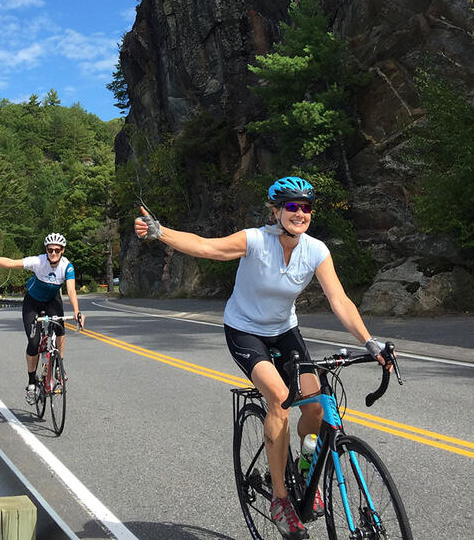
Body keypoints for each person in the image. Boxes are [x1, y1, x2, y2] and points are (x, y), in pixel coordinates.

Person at [135, 176, 391, 540]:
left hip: (284, 329)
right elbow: (206, 247)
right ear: (276, 212)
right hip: (244, 329)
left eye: (306, 207)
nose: (300, 213)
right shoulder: (255, 240)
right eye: (292, 207)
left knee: (317, 404)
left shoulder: (315, 250)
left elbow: (339, 300)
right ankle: (281, 501)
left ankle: (304, 466)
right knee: (280, 399)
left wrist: (369, 342)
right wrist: (161, 233)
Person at [0, 232, 85, 405]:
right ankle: (32, 383)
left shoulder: (67, 267)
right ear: (46, 250)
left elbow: (71, 290)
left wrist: (77, 312)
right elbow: (10, 263)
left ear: (62, 250)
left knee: (60, 326)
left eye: (57, 250)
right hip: (32, 302)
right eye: (50, 250)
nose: (53, 253)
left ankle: (58, 367)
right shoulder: (38, 261)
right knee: (34, 342)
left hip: (51, 301)